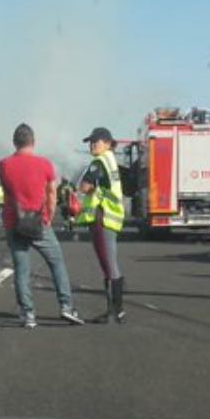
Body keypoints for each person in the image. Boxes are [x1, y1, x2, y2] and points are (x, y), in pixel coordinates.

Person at [0, 123, 82, 328]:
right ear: (33, 142)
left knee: (21, 270)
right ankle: (66, 306)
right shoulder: (45, 164)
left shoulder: (3, 165)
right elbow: (52, 194)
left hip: (14, 223)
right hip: (39, 222)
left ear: (14, 142)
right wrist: (48, 217)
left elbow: (8, 192)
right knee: (56, 263)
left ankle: (28, 315)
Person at [78, 127, 127, 323]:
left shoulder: (99, 162)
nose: (92, 145)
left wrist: (84, 187)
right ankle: (116, 309)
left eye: (95, 141)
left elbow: (85, 186)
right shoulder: (112, 160)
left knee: (108, 265)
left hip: (102, 218)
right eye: (90, 142)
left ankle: (114, 310)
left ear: (107, 142)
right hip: (111, 218)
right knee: (111, 264)